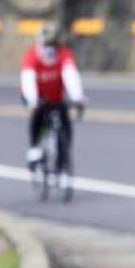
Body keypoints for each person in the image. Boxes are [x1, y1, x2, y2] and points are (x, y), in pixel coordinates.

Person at [20, 23, 85, 181]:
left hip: (56, 97)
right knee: (38, 117)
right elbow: (28, 79)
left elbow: (70, 75)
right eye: (48, 43)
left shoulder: (64, 54)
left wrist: (77, 97)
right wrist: (32, 101)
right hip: (37, 97)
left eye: (54, 43)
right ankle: (34, 149)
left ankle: (62, 167)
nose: (51, 47)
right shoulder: (32, 56)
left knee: (65, 127)